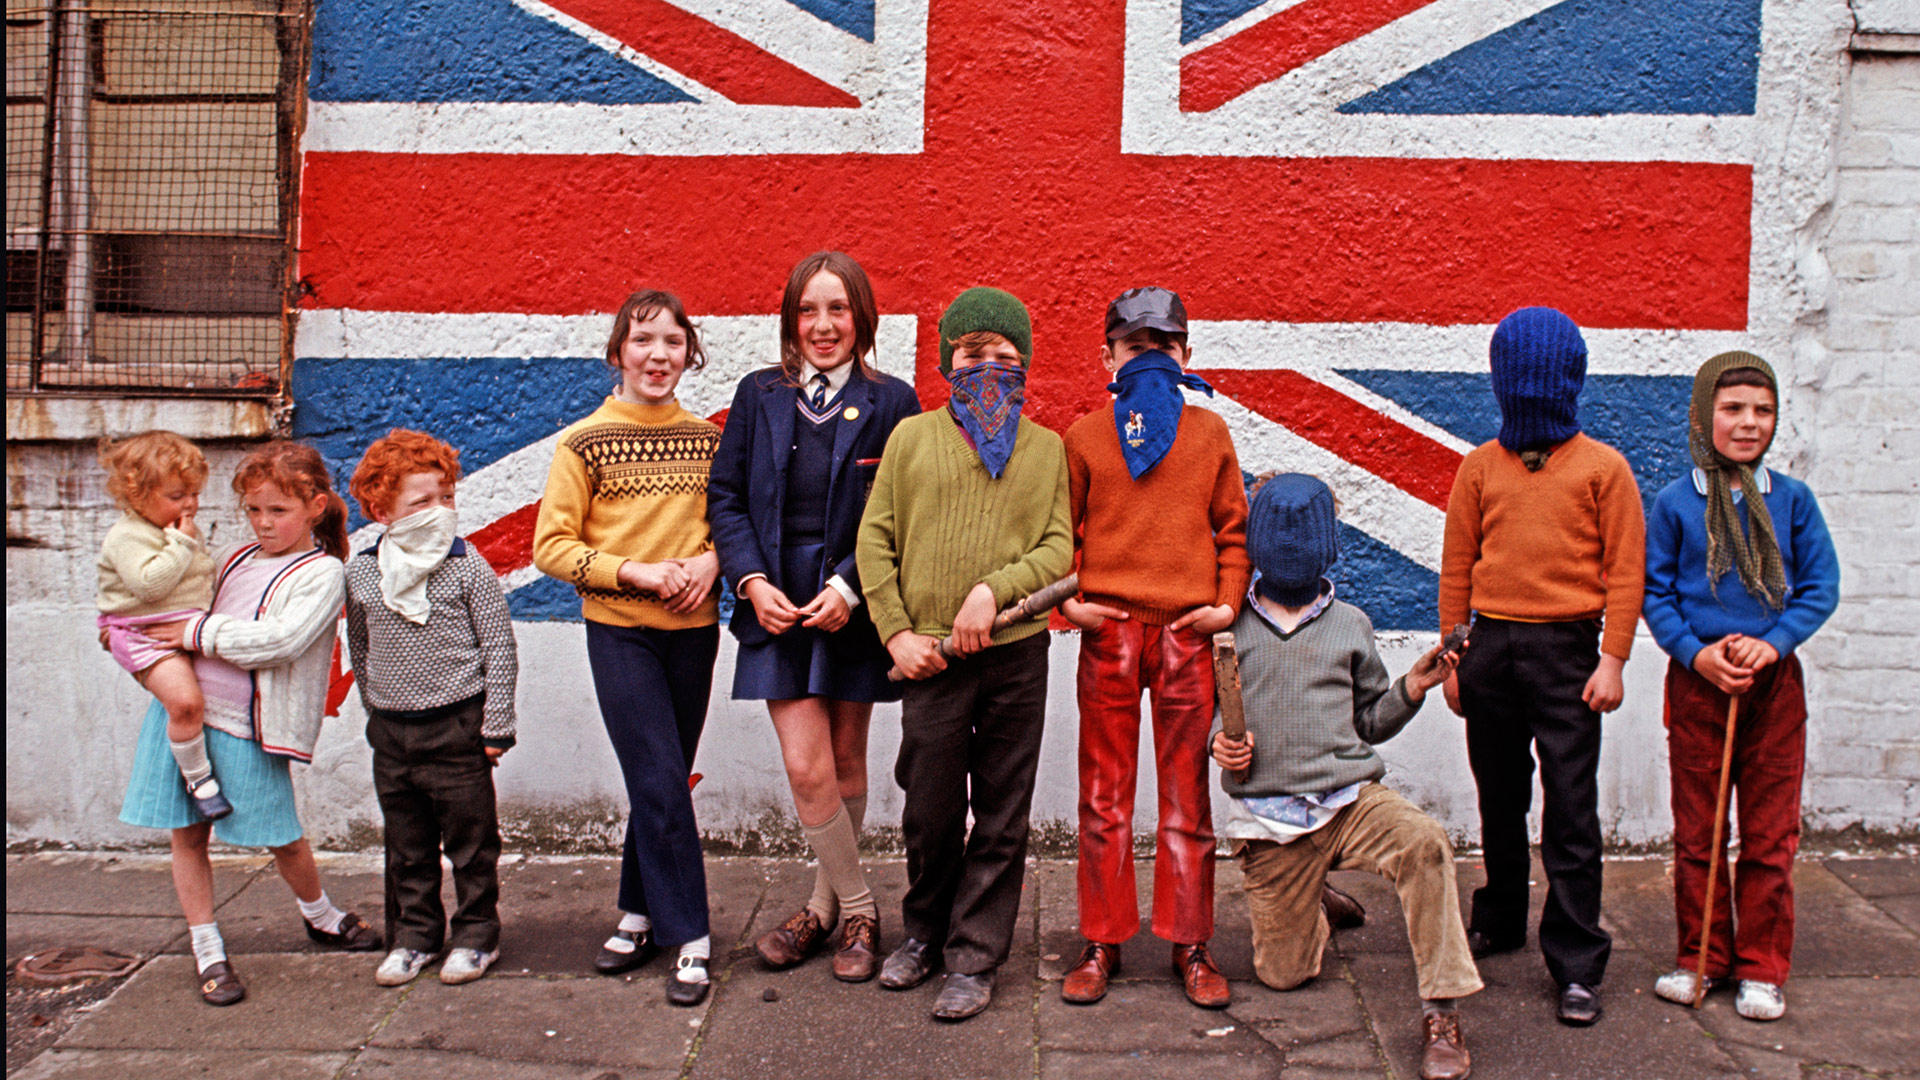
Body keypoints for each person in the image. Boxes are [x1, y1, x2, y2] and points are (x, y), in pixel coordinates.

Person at [1213, 473, 1480, 1080]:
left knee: (1426, 845)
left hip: (1350, 800)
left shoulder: (1350, 625)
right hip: (1270, 818)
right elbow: (1206, 713)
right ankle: (1317, 900)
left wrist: (1412, 688)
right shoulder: (1228, 627)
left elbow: (1369, 723)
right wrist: (1218, 745)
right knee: (1284, 975)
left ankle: (1442, 1010)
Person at [855, 286, 1072, 1021]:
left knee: (1003, 815)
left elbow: (1056, 548)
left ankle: (975, 957)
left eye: (1004, 355)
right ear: (948, 358)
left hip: (1016, 656)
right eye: (972, 352)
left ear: (1026, 364)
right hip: (931, 660)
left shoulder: (1047, 452)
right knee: (932, 809)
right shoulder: (912, 440)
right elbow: (875, 540)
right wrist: (896, 632)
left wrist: (994, 591)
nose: (987, 366)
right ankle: (924, 934)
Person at [708, 252, 920, 982]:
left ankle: (820, 910)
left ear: (862, 318)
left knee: (847, 758)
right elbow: (726, 497)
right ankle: (858, 907)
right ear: (790, 321)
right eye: (809, 310)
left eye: (838, 309)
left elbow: (903, 512)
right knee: (806, 765)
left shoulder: (893, 401)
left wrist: (854, 588)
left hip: (849, 602)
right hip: (776, 598)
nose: (824, 326)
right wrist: (750, 579)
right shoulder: (757, 393)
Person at [1438, 307, 1645, 1026]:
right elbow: (1457, 566)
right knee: (1498, 797)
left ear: (1570, 380)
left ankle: (1577, 957)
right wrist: (1454, 654)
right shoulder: (1478, 468)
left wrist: (1613, 658)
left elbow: (1625, 572)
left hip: (1568, 655)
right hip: (1490, 647)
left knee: (1572, 810)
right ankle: (1498, 917)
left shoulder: (1602, 469)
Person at [127, 441, 381, 1005]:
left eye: (278, 511)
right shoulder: (238, 558)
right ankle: (206, 945)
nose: (263, 523)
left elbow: (280, 641)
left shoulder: (321, 572)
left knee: (282, 838)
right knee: (188, 835)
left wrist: (195, 634)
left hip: (249, 728)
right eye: (253, 510)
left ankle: (319, 914)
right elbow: (181, 600)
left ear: (315, 507)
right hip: (188, 716)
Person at [1057, 287, 1248, 1009]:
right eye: (1134, 347)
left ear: (1186, 355)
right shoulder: (1083, 436)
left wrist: (1225, 604)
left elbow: (1233, 529)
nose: (1149, 359)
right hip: (1109, 633)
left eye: (1162, 346)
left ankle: (1190, 941)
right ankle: (1102, 938)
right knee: (1103, 799)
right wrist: (1071, 603)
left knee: (1185, 800)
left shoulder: (1210, 433)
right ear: (1107, 356)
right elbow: (1063, 534)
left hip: (1183, 637)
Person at [533, 288, 724, 1006]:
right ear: (619, 353)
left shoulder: (709, 440)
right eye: (644, 341)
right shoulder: (583, 441)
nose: (658, 355)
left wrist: (710, 564)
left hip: (694, 634)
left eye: (673, 342)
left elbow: (727, 528)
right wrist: (634, 572)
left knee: (664, 778)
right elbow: (551, 547)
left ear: (689, 354)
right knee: (658, 778)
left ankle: (639, 913)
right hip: (619, 632)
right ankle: (693, 936)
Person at [1642, 352, 1839, 1022]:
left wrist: (1773, 642)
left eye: (1763, 409)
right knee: (1698, 834)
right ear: (1703, 415)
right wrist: (1696, 656)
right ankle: (1701, 958)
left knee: (1769, 834)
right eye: (1733, 409)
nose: (1749, 423)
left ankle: (1761, 966)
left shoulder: (1793, 501)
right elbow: (1656, 593)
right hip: (1699, 688)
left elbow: (1819, 588)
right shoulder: (1674, 503)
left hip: (1774, 690)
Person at [345, 429, 520, 988]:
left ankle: (476, 935)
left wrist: (496, 727)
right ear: (381, 510)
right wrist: (376, 706)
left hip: (458, 729)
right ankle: (415, 936)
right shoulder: (363, 571)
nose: (438, 510)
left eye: (446, 497)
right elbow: (360, 642)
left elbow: (498, 647)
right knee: (408, 847)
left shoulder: (468, 568)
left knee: (472, 845)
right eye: (422, 502)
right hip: (392, 734)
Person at [95, 431, 227, 820]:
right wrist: (182, 546)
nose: (190, 506)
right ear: (137, 496)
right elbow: (151, 586)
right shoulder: (128, 537)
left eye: (194, 495)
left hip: (181, 627)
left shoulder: (175, 531)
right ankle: (199, 781)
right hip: (142, 634)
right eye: (176, 497)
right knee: (186, 703)